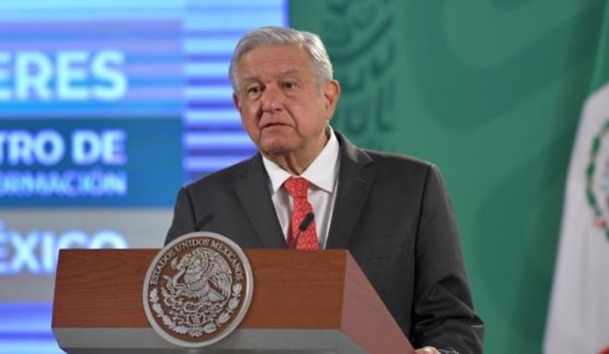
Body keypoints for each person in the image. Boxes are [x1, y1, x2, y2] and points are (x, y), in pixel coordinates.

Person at [165, 26, 484, 354]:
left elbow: (453, 324)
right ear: (239, 106)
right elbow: (175, 327)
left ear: (328, 97)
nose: (270, 103)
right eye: (255, 90)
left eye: (288, 85)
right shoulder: (202, 204)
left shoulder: (412, 187)